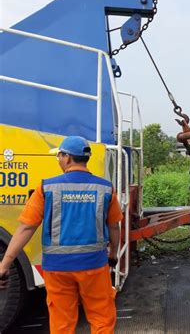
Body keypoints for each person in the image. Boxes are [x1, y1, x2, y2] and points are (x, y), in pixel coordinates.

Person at [0, 136, 122, 334]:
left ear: (67, 158)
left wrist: (4, 264)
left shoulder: (46, 188)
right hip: (94, 266)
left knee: (62, 323)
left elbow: (25, 228)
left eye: (59, 155)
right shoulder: (105, 188)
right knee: (102, 318)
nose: (58, 159)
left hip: (57, 269)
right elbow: (114, 227)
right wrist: (113, 254)